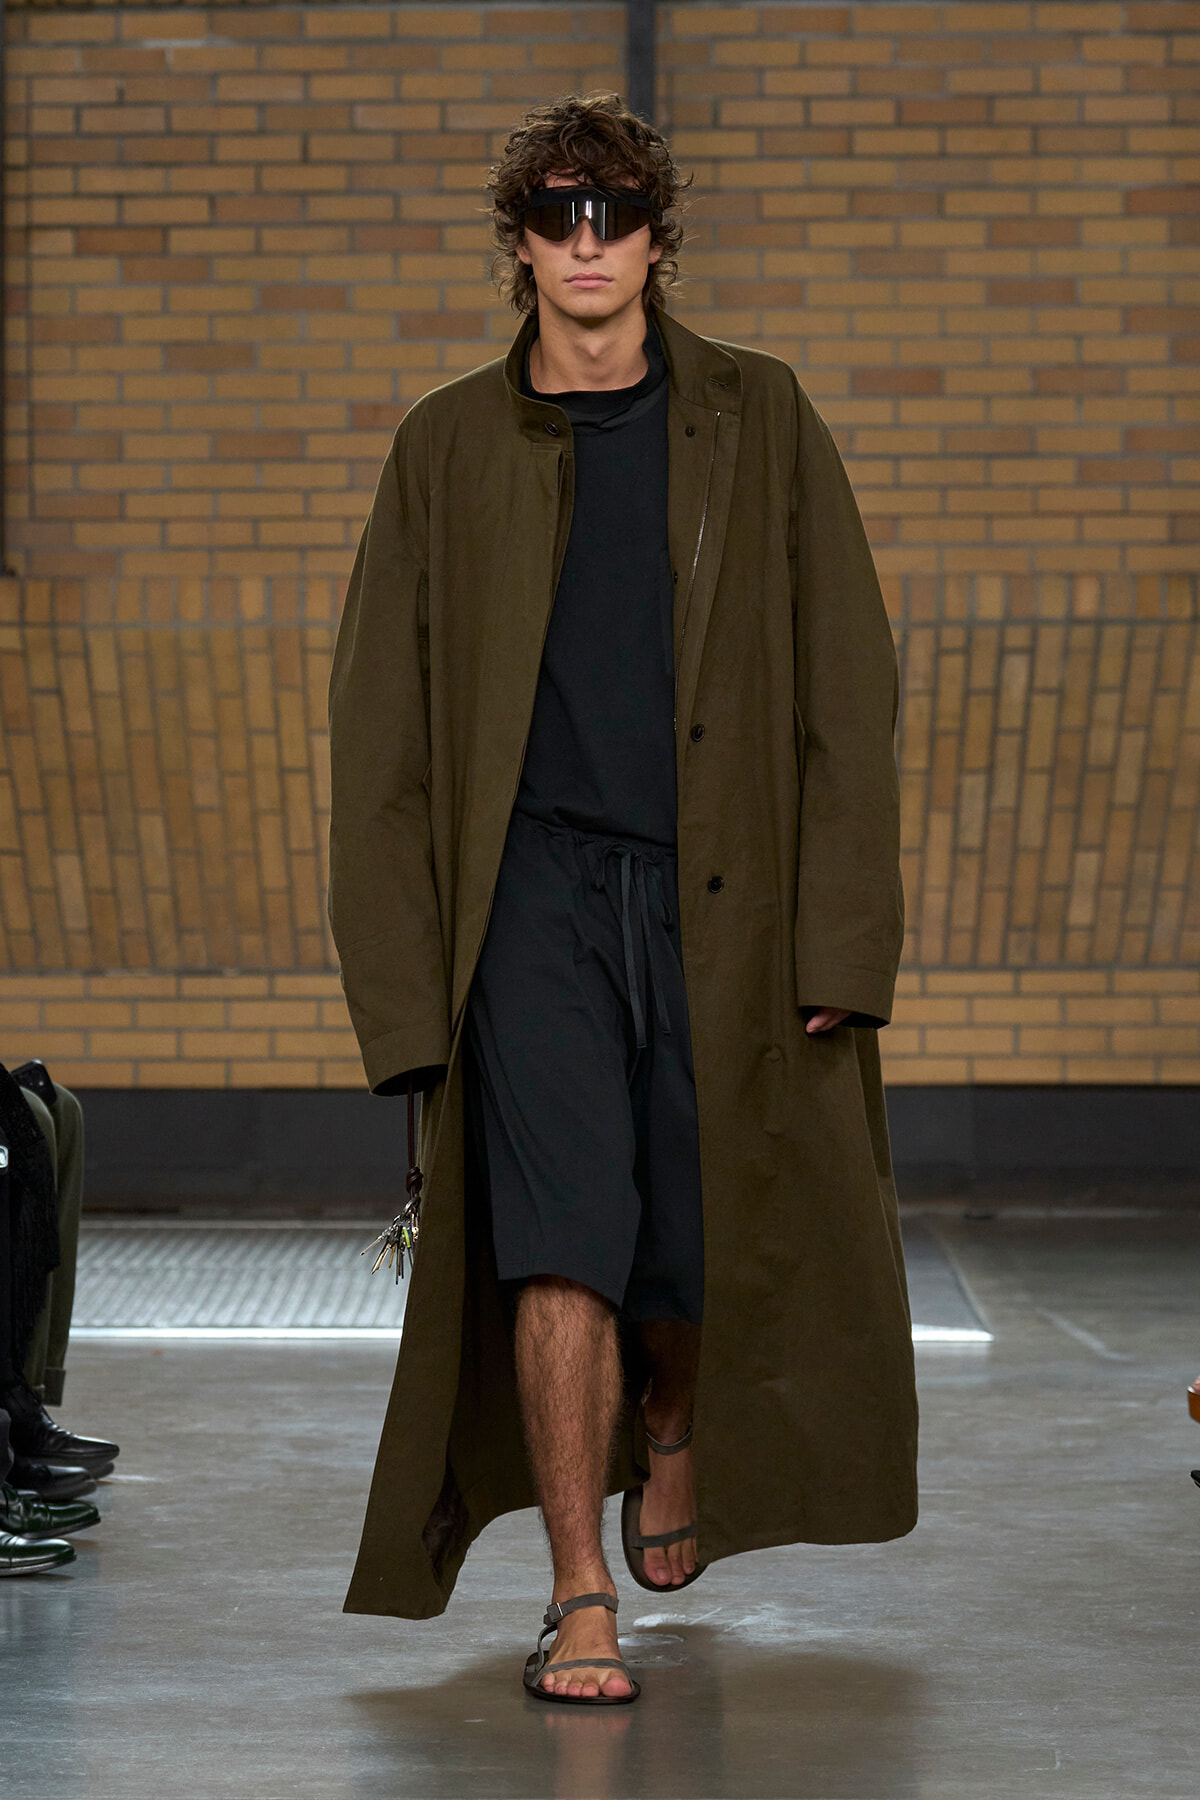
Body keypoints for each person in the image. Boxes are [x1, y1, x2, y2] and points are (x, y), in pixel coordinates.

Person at [328, 92, 918, 1704]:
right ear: (519, 244)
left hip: (725, 895)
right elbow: (379, 736)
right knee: (561, 1237)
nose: (586, 242)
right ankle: (578, 1592)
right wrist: (405, 1002)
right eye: (557, 212)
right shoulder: (445, 445)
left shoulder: (758, 415)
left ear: (658, 238)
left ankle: (673, 1414)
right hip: (528, 896)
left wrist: (843, 941)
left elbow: (846, 688)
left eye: (615, 212)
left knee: (699, 1224)